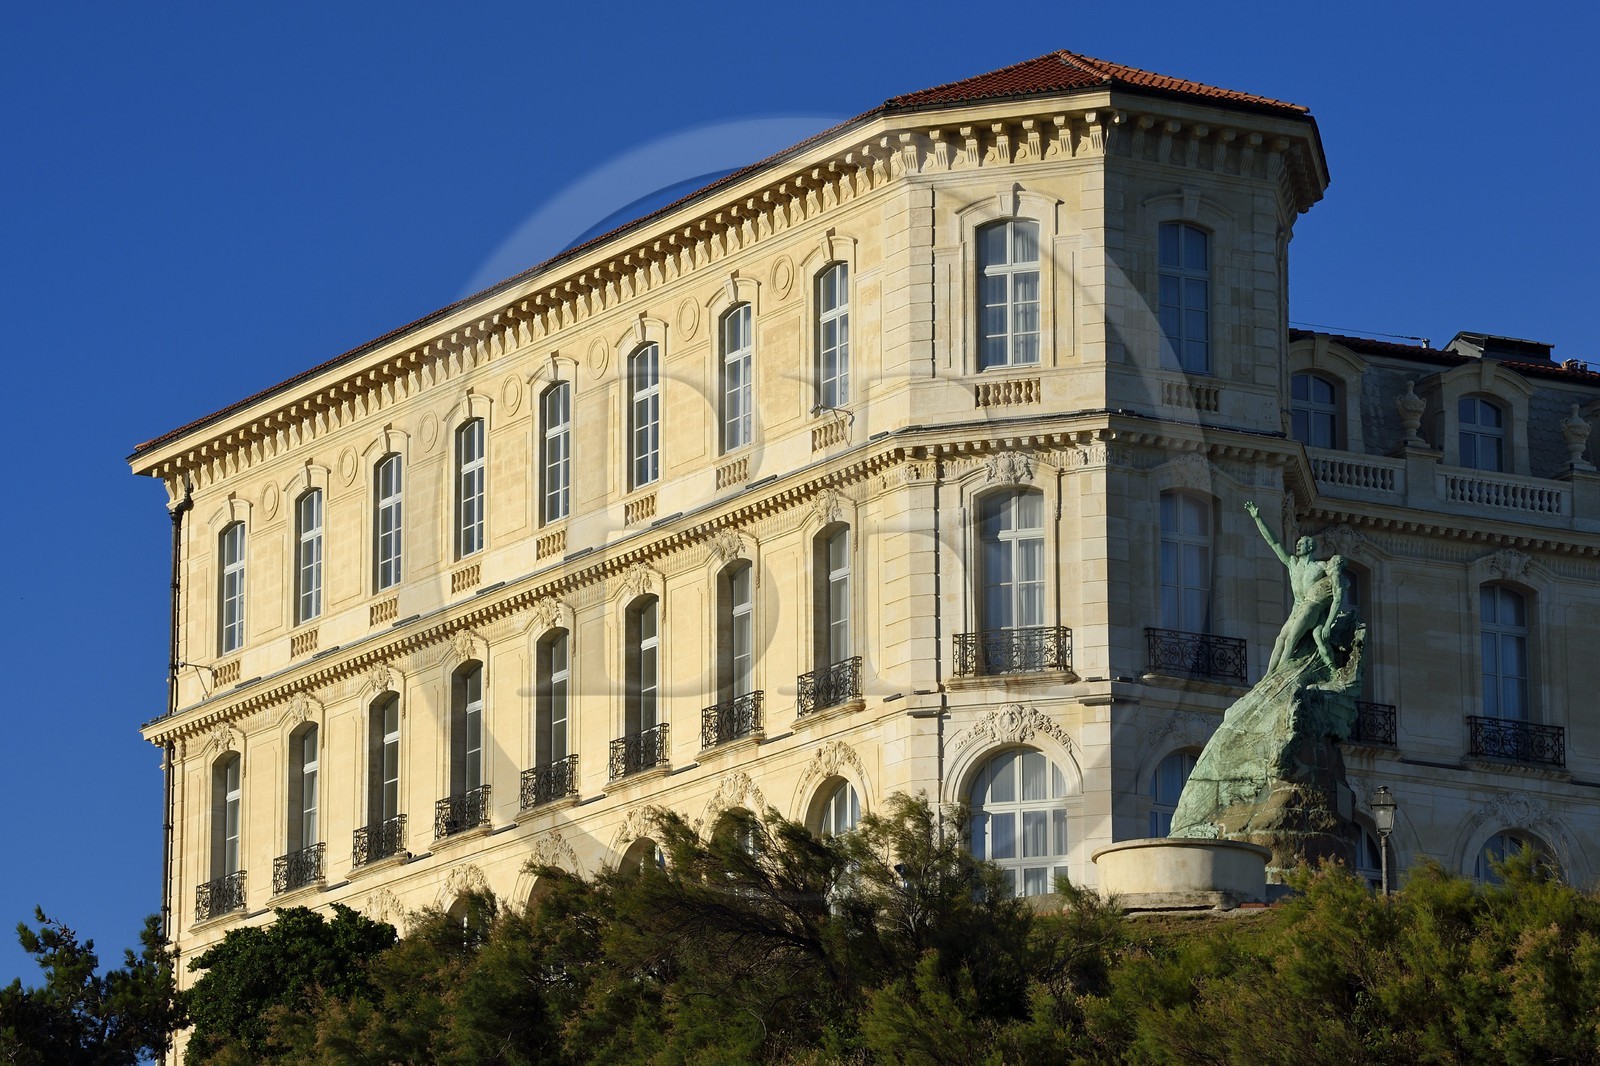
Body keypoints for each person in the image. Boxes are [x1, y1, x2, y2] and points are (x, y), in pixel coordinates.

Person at [1245, 501, 1344, 673]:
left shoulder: (1320, 566)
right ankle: (1269, 676)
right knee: (1280, 640)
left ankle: (1279, 675)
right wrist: (1258, 518)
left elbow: (1337, 575)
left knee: (1291, 639)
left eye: (1302, 543)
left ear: (1311, 547)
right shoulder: (1293, 564)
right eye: (1298, 543)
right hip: (1297, 608)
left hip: (1312, 608)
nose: (1298, 544)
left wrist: (1328, 622)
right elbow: (1274, 543)